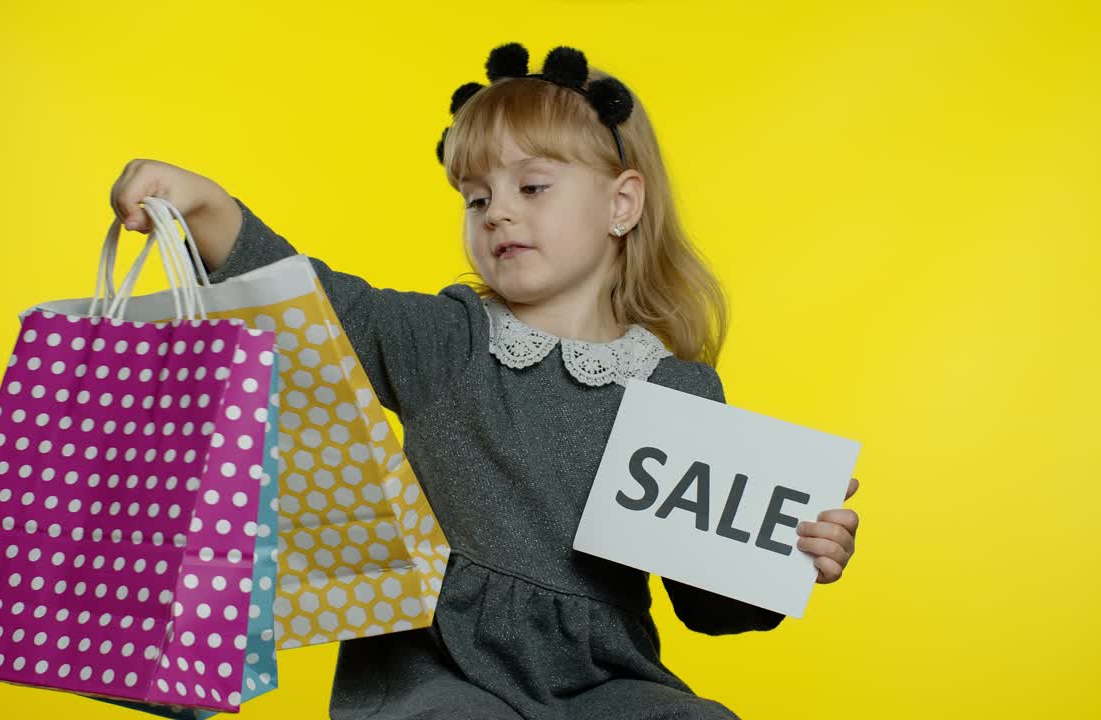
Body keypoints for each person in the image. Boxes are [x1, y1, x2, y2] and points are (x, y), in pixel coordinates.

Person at [109, 42, 861, 720]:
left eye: (532, 188)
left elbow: (709, 604)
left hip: (599, 681)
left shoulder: (677, 393)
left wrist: (793, 549)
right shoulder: (448, 338)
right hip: (432, 674)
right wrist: (209, 209)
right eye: (476, 197)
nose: (498, 212)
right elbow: (319, 306)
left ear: (621, 203)